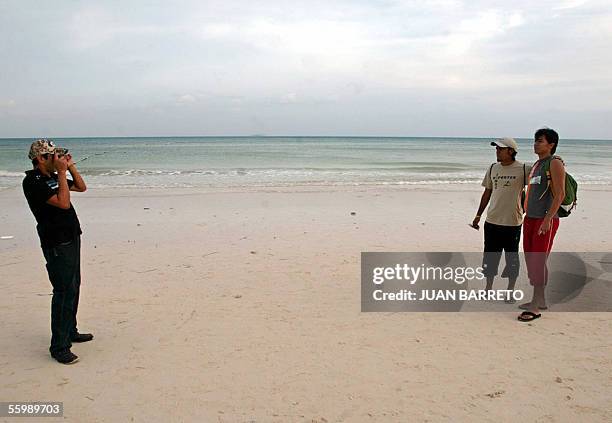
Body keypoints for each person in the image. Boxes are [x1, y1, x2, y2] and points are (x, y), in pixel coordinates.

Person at [22, 139, 93, 364]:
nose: (57, 159)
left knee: (74, 285)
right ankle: (59, 346)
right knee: (63, 290)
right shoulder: (33, 182)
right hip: (56, 242)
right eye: (52, 156)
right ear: (41, 159)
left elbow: (81, 187)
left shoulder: (53, 177)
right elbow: (63, 203)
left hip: (71, 236)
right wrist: (62, 173)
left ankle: (70, 330)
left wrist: (69, 167)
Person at [471, 137, 530, 302]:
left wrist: (555, 160)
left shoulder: (524, 168)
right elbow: (487, 193)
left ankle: (510, 292)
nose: (497, 151)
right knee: (490, 257)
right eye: (496, 149)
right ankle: (488, 289)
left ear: (511, 151)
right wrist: (478, 215)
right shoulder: (492, 168)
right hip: (492, 222)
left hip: (513, 223)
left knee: (512, 258)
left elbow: (539, 181)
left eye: (500, 149)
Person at [518, 128, 566, 322]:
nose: (535, 144)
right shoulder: (538, 164)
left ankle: (536, 305)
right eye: (535, 141)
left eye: (540, 141)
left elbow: (560, 194)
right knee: (531, 260)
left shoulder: (554, 163)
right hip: (530, 219)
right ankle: (541, 300)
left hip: (544, 220)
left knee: (538, 261)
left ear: (551, 144)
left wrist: (547, 220)